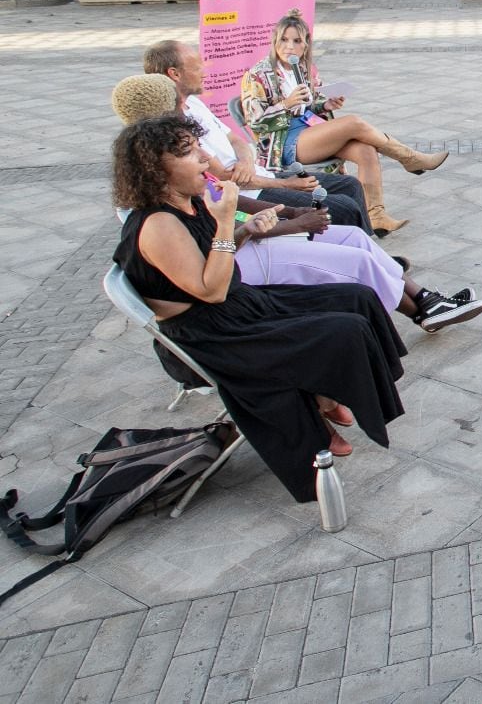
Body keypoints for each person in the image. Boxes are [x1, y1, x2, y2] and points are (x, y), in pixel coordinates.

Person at [112, 113, 414, 499]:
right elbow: (211, 290)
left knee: (357, 296)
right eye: (188, 152)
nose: (204, 158)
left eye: (199, 146)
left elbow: (214, 260)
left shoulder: (188, 201)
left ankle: (330, 392)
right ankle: (323, 398)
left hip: (238, 303)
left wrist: (244, 230)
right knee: (344, 329)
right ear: (155, 168)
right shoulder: (158, 224)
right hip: (213, 333)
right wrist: (226, 222)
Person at [110, 80, 482, 333]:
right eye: (177, 99)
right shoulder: (162, 193)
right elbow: (219, 248)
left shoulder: (176, 157)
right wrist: (287, 218)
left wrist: (287, 213)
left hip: (244, 238)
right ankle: (419, 309)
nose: (186, 101)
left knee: (353, 235)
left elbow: (228, 192)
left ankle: (425, 300)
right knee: (352, 254)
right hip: (238, 262)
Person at [240, 12, 448, 235]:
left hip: (310, 130)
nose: (290, 46)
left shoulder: (304, 69)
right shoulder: (257, 75)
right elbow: (256, 122)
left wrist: (325, 104)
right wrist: (285, 104)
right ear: (275, 40)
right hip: (282, 142)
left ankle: (376, 216)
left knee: (366, 150)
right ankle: (410, 158)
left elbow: (310, 105)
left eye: (297, 41)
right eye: (284, 39)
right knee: (353, 123)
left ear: (306, 44)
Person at [143, 40, 369, 233]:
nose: (204, 71)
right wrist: (286, 184)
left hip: (260, 175)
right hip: (253, 190)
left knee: (350, 185)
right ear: (174, 74)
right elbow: (222, 177)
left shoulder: (194, 103)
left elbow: (236, 139)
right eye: (197, 66)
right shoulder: (175, 124)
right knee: (343, 208)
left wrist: (246, 161)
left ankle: (367, 250)